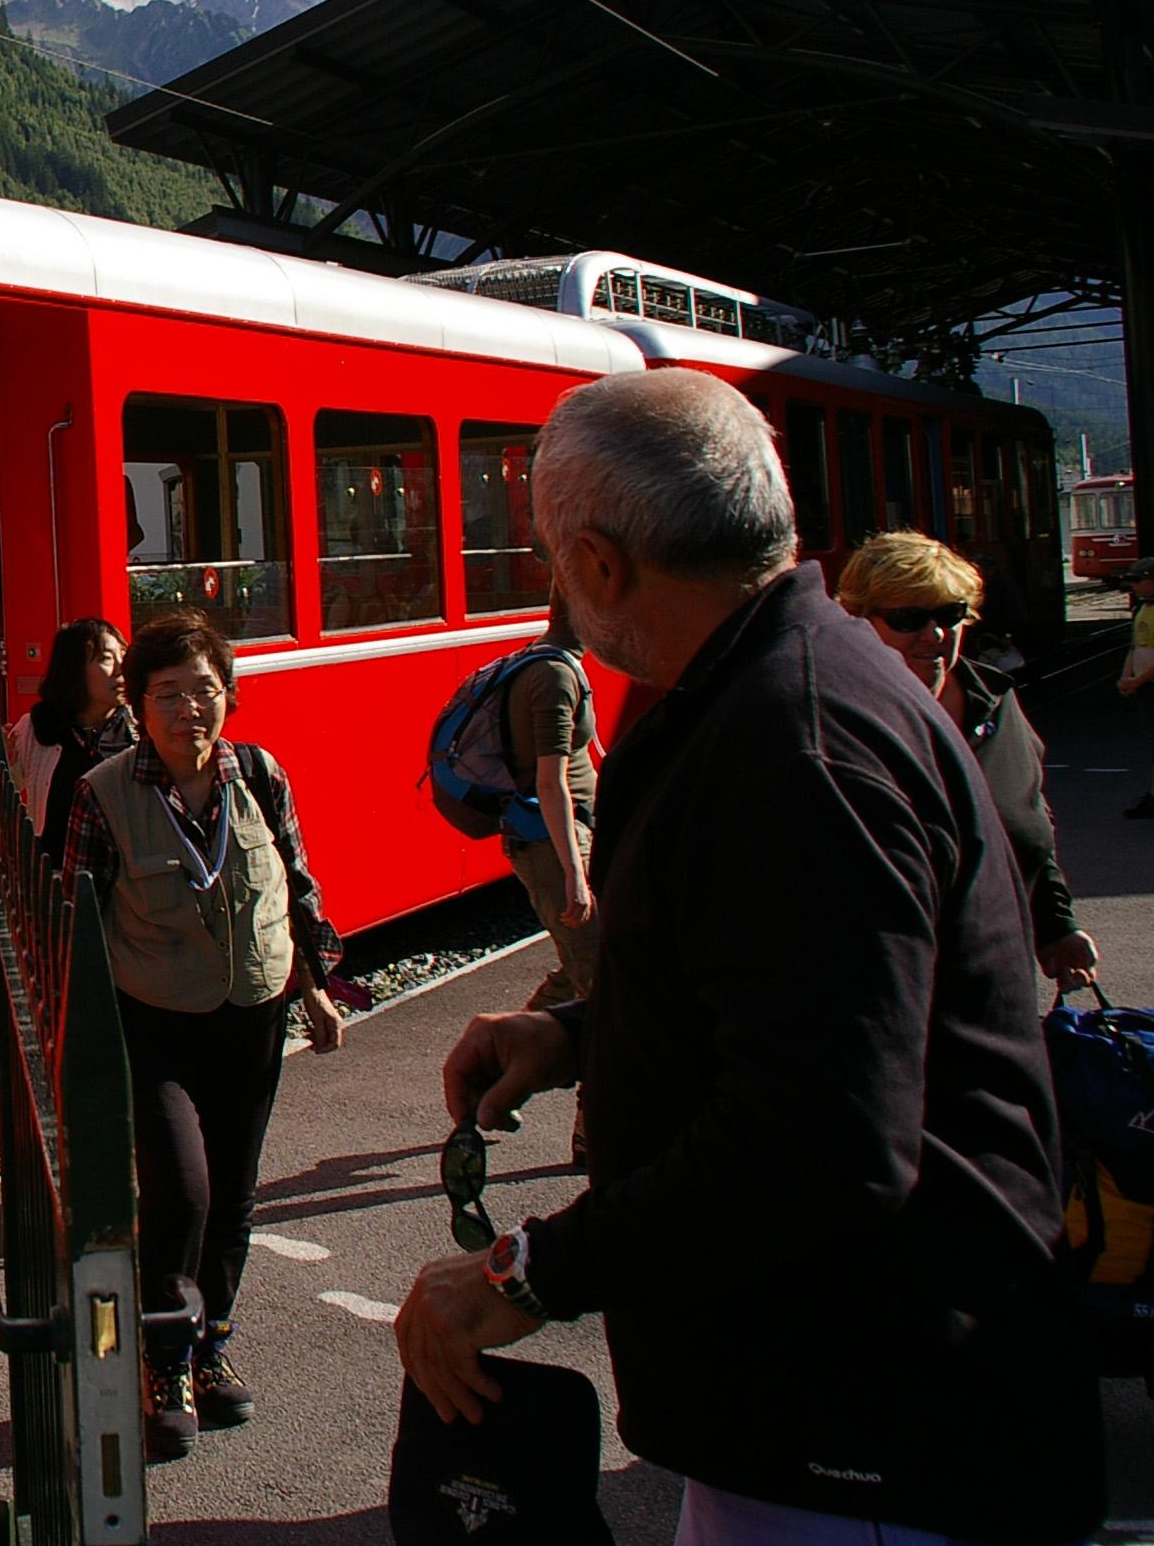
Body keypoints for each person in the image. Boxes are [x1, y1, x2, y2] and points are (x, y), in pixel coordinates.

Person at [393, 369, 1102, 1546]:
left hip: (864, 1438)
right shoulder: (785, 684)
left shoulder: (792, 748)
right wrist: (575, 1033)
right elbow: (807, 996)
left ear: (598, 563)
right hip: (837, 1416)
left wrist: (529, 1269)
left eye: (552, 559)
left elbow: (819, 1138)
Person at [57, 606, 345, 1460]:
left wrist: (317, 989)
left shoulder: (258, 774)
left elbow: (296, 883)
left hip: (251, 1016)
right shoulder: (103, 793)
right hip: (155, 1022)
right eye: (170, 693)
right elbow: (75, 920)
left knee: (235, 1193)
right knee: (182, 1190)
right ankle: (164, 1361)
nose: (191, 709)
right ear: (138, 704)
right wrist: (76, 1036)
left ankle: (212, 1342)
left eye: (206, 689)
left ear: (229, 695)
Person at [837, 531, 1096, 991]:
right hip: (885, 986)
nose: (935, 633)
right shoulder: (838, 718)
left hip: (997, 977)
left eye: (949, 614)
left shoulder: (994, 700)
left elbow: (1029, 815)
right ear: (857, 619)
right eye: (908, 618)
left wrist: (1056, 924)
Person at [0, 617, 134, 869]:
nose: (121, 669)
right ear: (73, 669)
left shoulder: (140, 729)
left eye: (124, 657)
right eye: (106, 659)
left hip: (128, 879)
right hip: (57, 879)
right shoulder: (37, 728)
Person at [500, 602, 599, 1019]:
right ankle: (507, 1050)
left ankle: (507, 1045)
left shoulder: (550, 662)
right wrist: (574, 875)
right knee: (597, 974)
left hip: (566, 836)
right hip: (553, 845)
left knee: (581, 970)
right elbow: (549, 783)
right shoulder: (554, 675)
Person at [1119, 554, 1154, 820]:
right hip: (1145, 686)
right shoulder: (1142, 608)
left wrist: (1137, 680)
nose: (1133, 585)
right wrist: (1126, 676)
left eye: (1137, 580)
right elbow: (1135, 647)